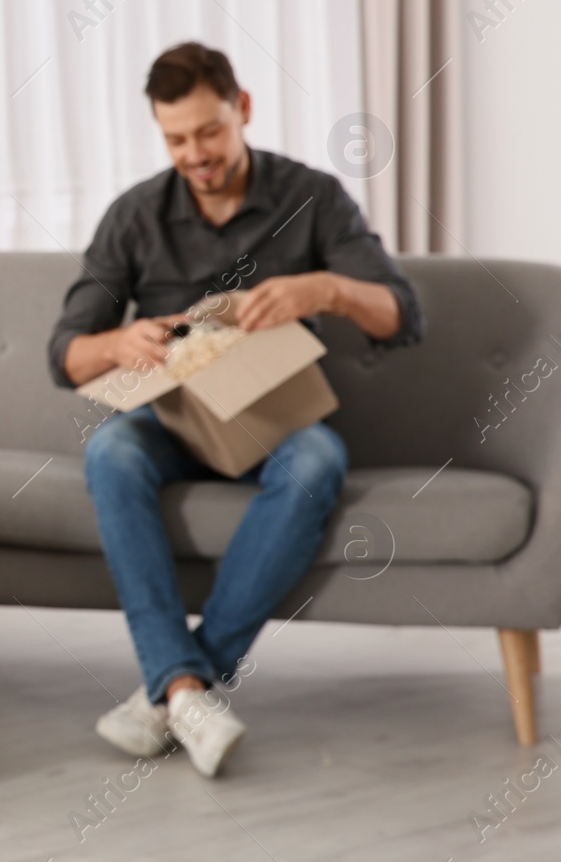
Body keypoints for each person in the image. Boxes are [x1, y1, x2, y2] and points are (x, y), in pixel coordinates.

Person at [47, 42, 423, 777]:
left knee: (320, 459)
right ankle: (188, 690)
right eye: (176, 139)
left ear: (242, 109)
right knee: (110, 450)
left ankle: (174, 689)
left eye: (209, 132)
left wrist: (327, 290)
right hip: (173, 421)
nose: (196, 153)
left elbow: (404, 316)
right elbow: (63, 354)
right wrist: (120, 341)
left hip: (274, 418)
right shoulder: (135, 215)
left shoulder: (311, 197)